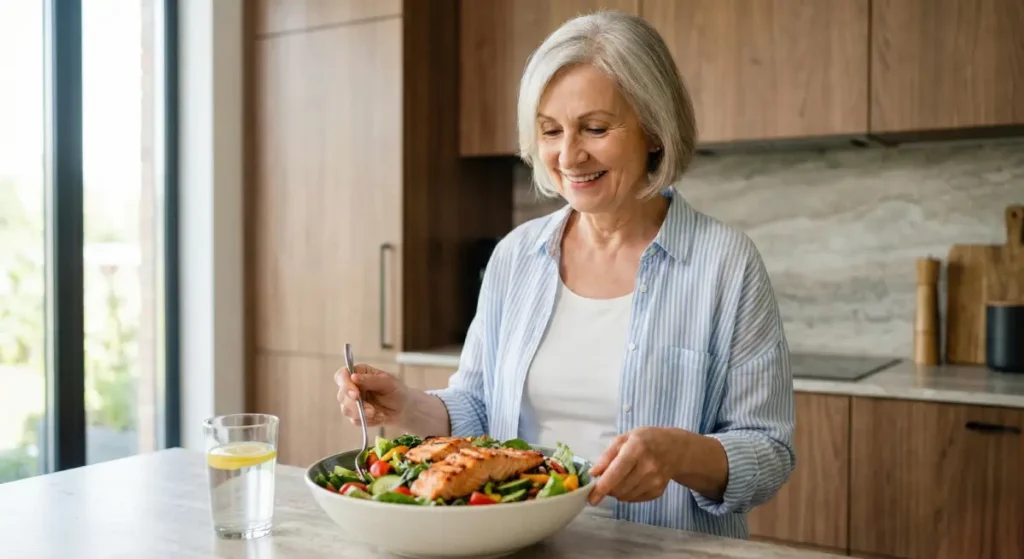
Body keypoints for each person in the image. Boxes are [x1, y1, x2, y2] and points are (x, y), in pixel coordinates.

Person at [335, 10, 795, 537]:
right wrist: (408, 405)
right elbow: (481, 411)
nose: (569, 155)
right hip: (520, 545)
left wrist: (682, 455)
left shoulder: (726, 265)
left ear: (654, 129)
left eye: (595, 128)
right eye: (550, 130)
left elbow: (770, 452)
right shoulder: (515, 258)